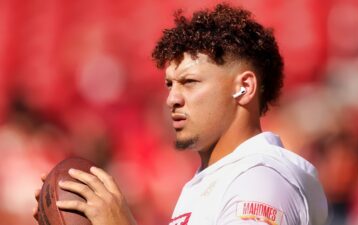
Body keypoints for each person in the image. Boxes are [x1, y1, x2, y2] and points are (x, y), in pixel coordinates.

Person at [34, 3, 328, 225]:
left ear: (244, 88)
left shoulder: (261, 181)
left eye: (189, 82)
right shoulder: (212, 181)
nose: (172, 99)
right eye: (169, 85)